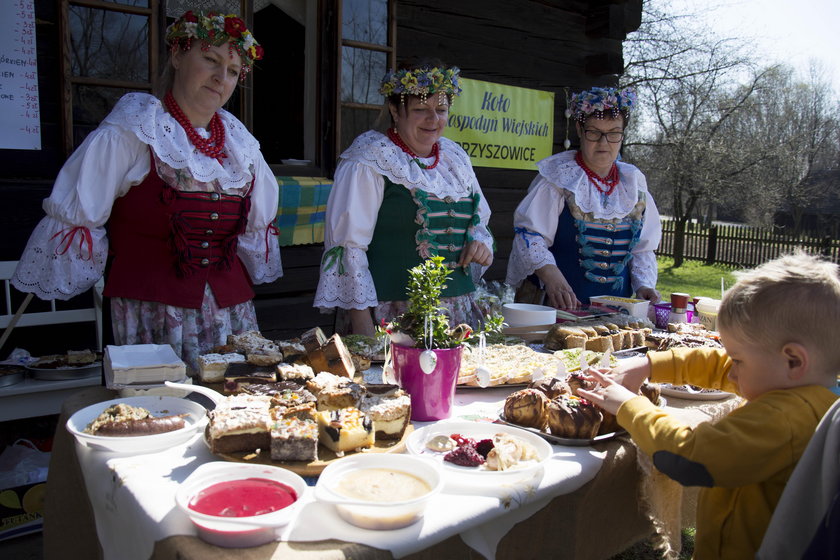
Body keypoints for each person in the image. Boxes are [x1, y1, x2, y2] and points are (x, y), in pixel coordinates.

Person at [10, 10, 281, 372]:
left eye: (233, 72)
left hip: (231, 317)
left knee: (234, 415)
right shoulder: (134, 131)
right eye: (210, 60)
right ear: (177, 55)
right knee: (160, 417)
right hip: (153, 315)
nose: (221, 77)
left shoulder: (241, 147)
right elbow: (79, 214)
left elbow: (252, 232)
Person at [576, 252, 840, 559]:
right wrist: (647, 364)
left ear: (793, 360)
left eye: (738, 360)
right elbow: (717, 364)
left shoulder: (784, 418)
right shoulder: (805, 386)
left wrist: (629, 406)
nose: (730, 372)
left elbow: (690, 456)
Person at [314, 61, 493, 336]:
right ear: (395, 111)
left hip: (458, 312)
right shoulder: (370, 158)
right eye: (421, 109)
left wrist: (479, 242)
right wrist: (363, 328)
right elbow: (348, 245)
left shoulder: (455, 158)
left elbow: (479, 219)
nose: (434, 120)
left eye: (441, 110)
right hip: (394, 316)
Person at [505, 86, 661, 308]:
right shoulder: (558, 179)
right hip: (557, 308)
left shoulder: (633, 183)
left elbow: (643, 249)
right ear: (579, 129)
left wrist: (644, 285)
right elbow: (529, 236)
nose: (604, 143)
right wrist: (551, 275)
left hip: (618, 313)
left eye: (614, 133)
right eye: (594, 132)